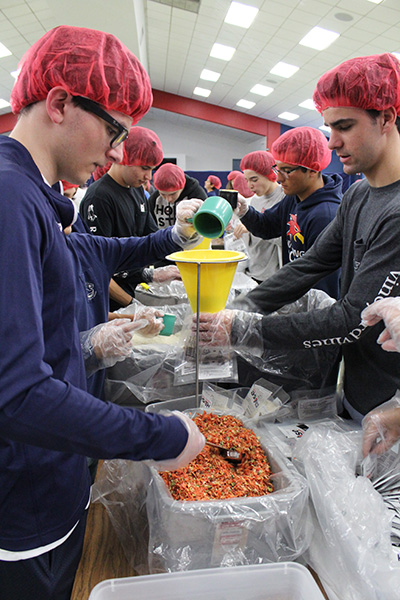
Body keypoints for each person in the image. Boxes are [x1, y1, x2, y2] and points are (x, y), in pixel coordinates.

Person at [0, 25, 205, 600]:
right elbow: (14, 393)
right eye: (114, 130)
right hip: (24, 501)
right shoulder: (10, 196)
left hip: (52, 477)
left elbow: (36, 332)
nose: (118, 152)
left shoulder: (38, 197)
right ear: (61, 102)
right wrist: (158, 436)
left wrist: (86, 344)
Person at [194, 52, 400, 424]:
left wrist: (247, 329)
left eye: (345, 126)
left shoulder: (396, 211)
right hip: (357, 383)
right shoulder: (359, 195)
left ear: (385, 118)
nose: (333, 142)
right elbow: (311, 263)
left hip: (390, 400)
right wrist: (242, 309)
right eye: (329, 127)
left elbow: (354, 317)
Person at [79, 125, 182, 310]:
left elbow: (149, 240)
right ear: (124, 158)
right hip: (108, 304)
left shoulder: (136, 190)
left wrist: (156, 272)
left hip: (130, 291)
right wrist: (131, 305)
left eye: (152, 169)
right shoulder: (100, 197)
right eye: (144, 168)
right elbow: (95, 267)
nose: (148, 176)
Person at [236, 129, 342, 298]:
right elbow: (268, 226)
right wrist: (245, 211)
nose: (278, 178)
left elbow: (323, 293)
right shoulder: (294, 198)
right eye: (278, 169)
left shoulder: (326, 216)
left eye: (287, 170)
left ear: (312, 170)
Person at [229, 151, 283, 283]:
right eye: (246, 180)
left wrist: (253, 227)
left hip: (274, 275)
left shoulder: (283, 198)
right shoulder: (253, 201)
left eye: (254, 179)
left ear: (270, 175)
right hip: (253, 272)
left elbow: (286, 240)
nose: (249, 185)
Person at [149, 163, 207, 229]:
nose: (168, 199)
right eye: (163, 194)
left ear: (182, 187)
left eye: (173, 194)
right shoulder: (154, 199)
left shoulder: (197, 195)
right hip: (162, 238)